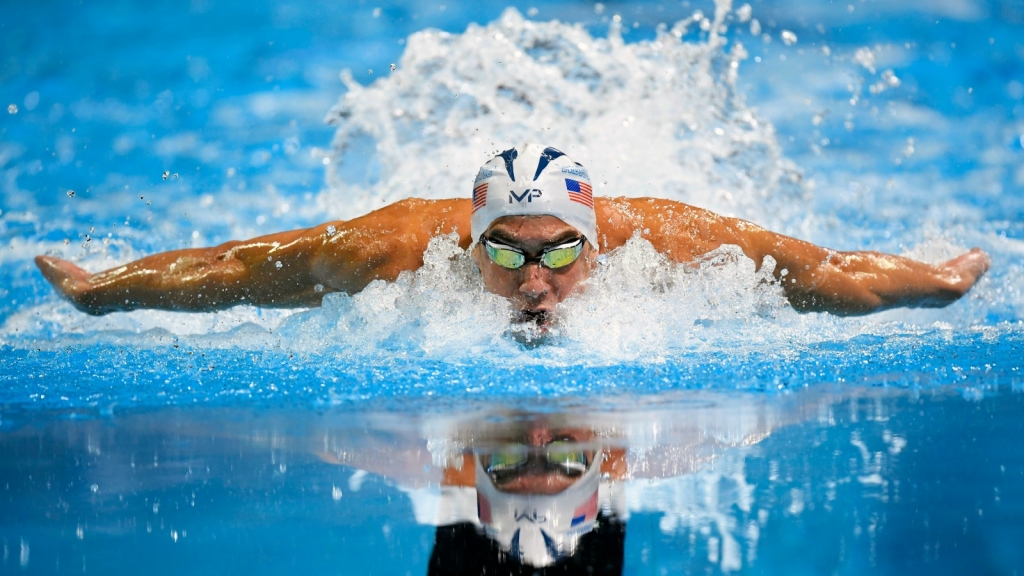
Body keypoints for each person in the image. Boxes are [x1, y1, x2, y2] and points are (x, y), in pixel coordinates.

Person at [35, 143, 990, 325]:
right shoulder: (400, 250)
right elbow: (234, 267)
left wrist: (929, 283)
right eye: (507, 252)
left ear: (594, 241)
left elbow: (820, 273)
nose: (536, 281)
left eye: (560, 251)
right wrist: (105, 290)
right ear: (471, 242)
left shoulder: (663, 242)